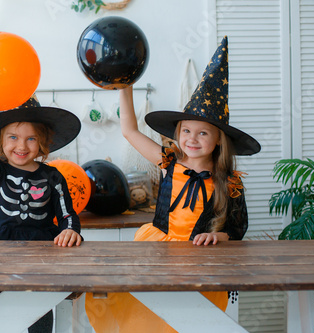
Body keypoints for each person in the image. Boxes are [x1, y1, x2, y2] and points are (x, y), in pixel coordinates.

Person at [85, 36, 261, 332]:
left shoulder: (228, 182)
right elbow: (129, 130)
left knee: (188, 321)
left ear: (219, 139)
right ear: (178, 133)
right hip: (156, 251)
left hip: (198, 260)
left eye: (203, 133)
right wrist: (126, 85)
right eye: (187, 130)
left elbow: (237, 228)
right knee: (143, 316)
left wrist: (221, 238)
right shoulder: (169, 164)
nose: (192, 139)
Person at [0, 94, 83, 333]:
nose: (21, 146)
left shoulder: (53, 177)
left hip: (39, 255)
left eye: (31, 138)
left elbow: (67, 214)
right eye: (13, 137)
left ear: (42, 141)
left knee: (38, 311)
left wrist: (71, 230)